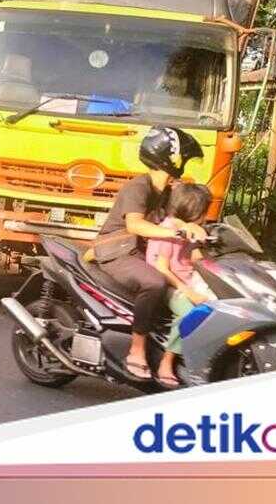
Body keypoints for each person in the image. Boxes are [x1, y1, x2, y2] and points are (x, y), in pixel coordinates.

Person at [93, 125, 206, 382]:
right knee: (154, 282)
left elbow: (178, 218)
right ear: (170, 158)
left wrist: (193, 227)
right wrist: (175, 232)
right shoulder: (138, 187)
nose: (184, 166)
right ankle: (136, 349)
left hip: (140, 251)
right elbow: (135, 225)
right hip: (117, 251)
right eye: (183, 160)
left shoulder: (168, 191)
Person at [145, 183, 217, 389]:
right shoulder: (169, 231)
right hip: (168, 283)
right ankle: (166, 362)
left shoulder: (188, 229)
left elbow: (197, 258)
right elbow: (162, 268)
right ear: (192, 209)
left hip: (188, 279)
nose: (205, 217)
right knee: (189, 315)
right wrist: (189, 292)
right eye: (203, 212)